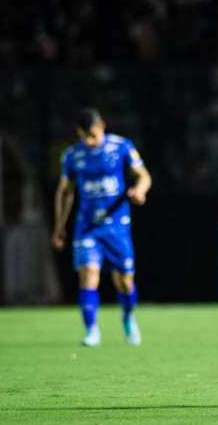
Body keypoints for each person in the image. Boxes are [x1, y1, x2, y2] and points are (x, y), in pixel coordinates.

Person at [52, 108, 152, 346]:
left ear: (103, 127)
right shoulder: (72, 156)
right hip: (87, 226)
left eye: (93, 135)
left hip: (117, 227)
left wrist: (139, 190)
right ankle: (92, 330)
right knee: (88, 276)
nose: (88, 141)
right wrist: (59, 226)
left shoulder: (121, 147)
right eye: (83, 136)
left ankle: (128, 317)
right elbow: (65, 192)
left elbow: (144, 175)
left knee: (125, 281)